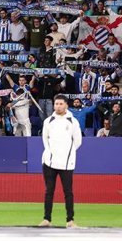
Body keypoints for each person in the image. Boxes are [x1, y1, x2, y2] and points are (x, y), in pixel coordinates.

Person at [40, 94, 82, 229]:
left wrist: (67, 153)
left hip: (67, 163)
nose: (58, 106)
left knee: (68, 192)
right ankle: (47, 219)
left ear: (66, 105)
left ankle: (70, 220)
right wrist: (50, 153)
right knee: (49, 191)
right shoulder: (48, 121)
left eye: (61, 104)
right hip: (49, 162)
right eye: (56, 104)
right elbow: (45, 139)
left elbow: (78, 141)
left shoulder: (73, 121)